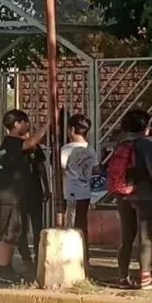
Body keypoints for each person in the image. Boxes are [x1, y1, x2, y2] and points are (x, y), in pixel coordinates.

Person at [112, 108, 152, 289]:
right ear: (145, 127)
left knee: (126, 237)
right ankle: (145, 278)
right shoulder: (147, 143)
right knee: (146, 237)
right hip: (144, 194)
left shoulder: (121, 143)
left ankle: (122, 277)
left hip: (123, 194)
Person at [0, 110, 46, 285]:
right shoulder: (12, 142)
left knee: (11, 233)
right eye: (25, 122)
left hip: (14, 194)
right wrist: (47, 125)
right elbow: (31, 142)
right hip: (9, 194)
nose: (28, 125)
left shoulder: (11, 144)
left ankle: (6, 269)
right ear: (16, 124)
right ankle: (3, 270)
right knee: (6, 234)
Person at [60, 114, 97, 266]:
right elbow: (95, 169)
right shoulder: (90, 149)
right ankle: (85, 255)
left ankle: (71, 257)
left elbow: (62, 168)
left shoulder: (67, 149)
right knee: (82, 224)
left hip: (71, 192)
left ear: (72, 129)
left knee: (70, 225)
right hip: (85, 192)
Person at [18, 137, 50, 268]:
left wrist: (46, 187)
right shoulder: (13, 147)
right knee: (21, 228)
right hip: (19, 194)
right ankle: (26, 258)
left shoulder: (35, 147)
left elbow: (41, 167)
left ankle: (38, 256)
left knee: (37, 227)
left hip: (35, 192)